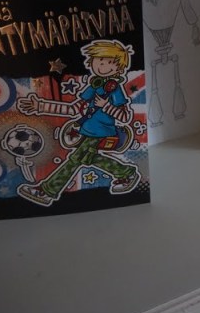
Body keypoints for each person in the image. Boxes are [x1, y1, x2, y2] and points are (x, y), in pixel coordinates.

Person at [15, 40, 141, 207]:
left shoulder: (114, 88)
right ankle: (126, 173)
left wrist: (106, 106)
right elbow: (74, 109)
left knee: (75, 159)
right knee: (90, 158)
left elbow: (124, 117)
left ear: (118, 68)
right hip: (85, 130)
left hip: (101, 132)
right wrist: (42, 106)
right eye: (98, 60)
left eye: (108, 62)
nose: (101, 65)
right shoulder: (94, 85)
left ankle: (47, 191)